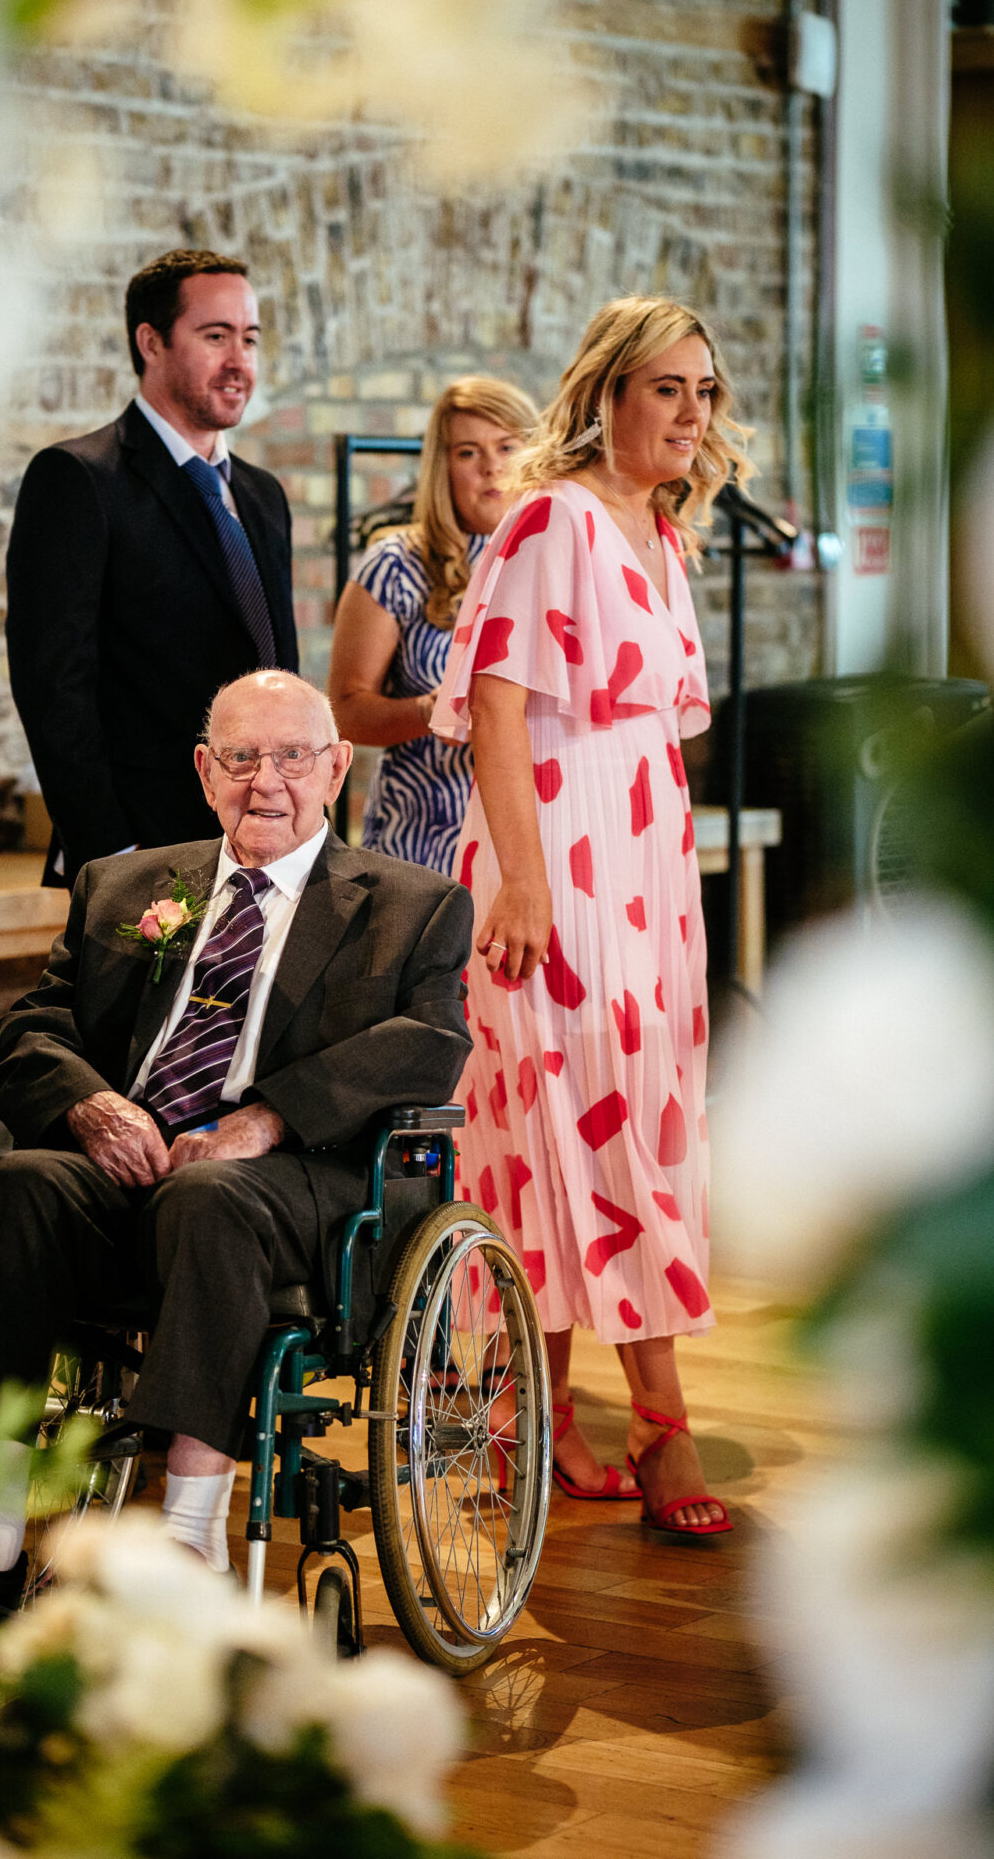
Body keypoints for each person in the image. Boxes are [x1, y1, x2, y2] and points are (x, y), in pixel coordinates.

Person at [0, 671, 472, 1598]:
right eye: (240, 756)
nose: (265, 780)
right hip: (129, 1166)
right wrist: (90, 1106)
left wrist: (268, 1117)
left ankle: (190, 1538)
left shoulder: (409, 904)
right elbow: (35, 1026)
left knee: (210, 1194)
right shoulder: (124, 885)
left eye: (292, 756)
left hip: (293, 1181)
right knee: (21, 1184)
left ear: (337, 766)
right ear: (204, 769)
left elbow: (432, 1043)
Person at [432, 296, 754, 1534]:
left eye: (704, 391)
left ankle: (544, 1420)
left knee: (632, 1125)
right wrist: (520, 877)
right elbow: (500, 708)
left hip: (647, 851)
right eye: (668, 387)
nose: (691, 412)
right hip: (554, 847)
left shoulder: (661, 536)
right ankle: (660, 1431)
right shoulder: (551, 517)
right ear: (607, 394)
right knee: (567, 1135)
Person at [5, 249, 299, 884]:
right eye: (214, 336)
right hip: (142, 854)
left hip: (267, 843)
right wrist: (109, 853)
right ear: (151, 341)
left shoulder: (262, 495)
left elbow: (279, 671)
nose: (238, 361)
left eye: (249, 338)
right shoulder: (79, 479)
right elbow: (53, 686)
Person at [328, 377, 538, 874]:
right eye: (468, 452)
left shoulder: (556, 561)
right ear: (442, 468)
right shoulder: (396, 564)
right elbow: (343, 713)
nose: (492, 466)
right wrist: (430, 709)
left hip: (538, 839)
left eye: (508, 446)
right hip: (423, 845)